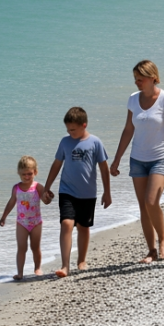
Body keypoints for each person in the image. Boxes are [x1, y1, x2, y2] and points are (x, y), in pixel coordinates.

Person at [110, 60, 164, 264]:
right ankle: (151, 251)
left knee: (151, 201)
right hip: (137, 160)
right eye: (135, 79)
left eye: (140, 79)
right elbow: (128, 130)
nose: (136, 83)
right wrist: (116, 160)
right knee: (143, 206)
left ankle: (163, 240)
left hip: (161, 157)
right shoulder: (133, 100)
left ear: (152, 78)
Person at [42, 107, 112, 277]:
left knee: (83, 227)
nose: (70, 132)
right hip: (67, 191)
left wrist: (107, 192)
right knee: (66, 223)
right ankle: (65, 265)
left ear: (84, 125)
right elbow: (57, 165)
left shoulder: (95, 142)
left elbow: (103, 168)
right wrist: (47, 187)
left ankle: (81, 260)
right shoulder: (65, 142)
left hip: (88, 193)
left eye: (73, 129)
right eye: (68, 129)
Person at [0, 155, 49, 281]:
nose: (26, 177)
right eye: (23, 174)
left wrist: (49, 197)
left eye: (29, 174)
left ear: (35, 172)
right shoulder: (16, 188)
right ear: (19, 173)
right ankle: (20, 272)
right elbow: (11, 202)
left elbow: (45, 201)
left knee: (35, 247)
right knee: (22, 248)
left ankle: (37, 268)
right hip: (22, 223)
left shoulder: (38, 187)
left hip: (36, 222)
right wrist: (4, 216)